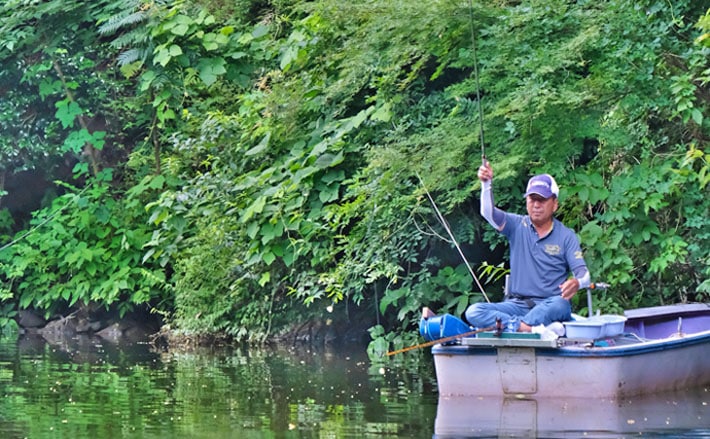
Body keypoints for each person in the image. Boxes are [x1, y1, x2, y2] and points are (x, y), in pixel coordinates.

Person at [464, 162, 590, 334]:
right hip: (517, 305)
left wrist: (577, 282)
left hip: (549, 306)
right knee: (475, 311)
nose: (536, 205)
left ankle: (516, 327)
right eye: (532, 199)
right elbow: (488, 213)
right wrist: (486, 184)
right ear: (526, 202)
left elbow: (584, 275)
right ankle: (528, 329)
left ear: (554, 204)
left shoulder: (566, 235)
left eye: (542, 200)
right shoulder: (517, 225)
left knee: (560, 304)